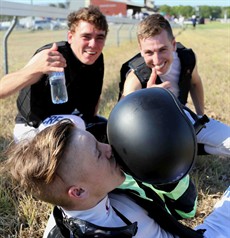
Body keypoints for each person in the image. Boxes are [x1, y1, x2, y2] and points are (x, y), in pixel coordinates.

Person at [1, 119, 229, 237]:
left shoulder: (111, 190)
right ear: (78, 191)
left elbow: (184, 209)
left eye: (99, 141)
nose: (109, 148)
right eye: (99, 154)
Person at [119, 13, 230, 157]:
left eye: (162, 49)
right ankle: (183, 149)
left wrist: (200, 116)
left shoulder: (187, 58)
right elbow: (121, 120)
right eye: (149, 52)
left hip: (181, 118)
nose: (157, 60)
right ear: (141, 51)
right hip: (150, 132)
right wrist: (146, 98)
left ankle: (192, 147)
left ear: (173, 45)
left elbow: (195, 83)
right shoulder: (136, 76)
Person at [0, 5, 108, 143]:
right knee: (77, 128)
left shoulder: (97, 59)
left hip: (66, 122)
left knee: (108, 130)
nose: (93, 44)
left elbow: (92, 106)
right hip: (32, 129)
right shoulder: (52, 55)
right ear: (70, 36)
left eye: (100, 37)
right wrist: (36, 68)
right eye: (86, 36)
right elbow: (1, 89)